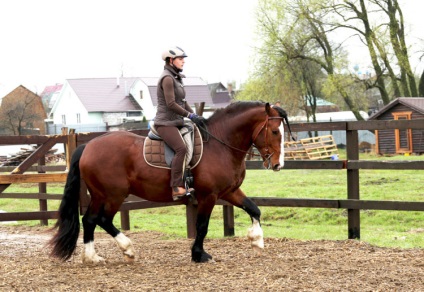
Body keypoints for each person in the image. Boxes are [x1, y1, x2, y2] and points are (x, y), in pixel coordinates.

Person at [154, 46, 204, 201]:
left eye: (183, 59)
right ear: (171, 60)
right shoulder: (167, 78)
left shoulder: (176, 77)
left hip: (175, 121)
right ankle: (176, 187)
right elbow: (171, 104)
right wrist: (189, 114)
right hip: (165, 123)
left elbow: (182, 102)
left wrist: (194, 116)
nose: (183, 61)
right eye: (180, 59)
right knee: (181, 149)